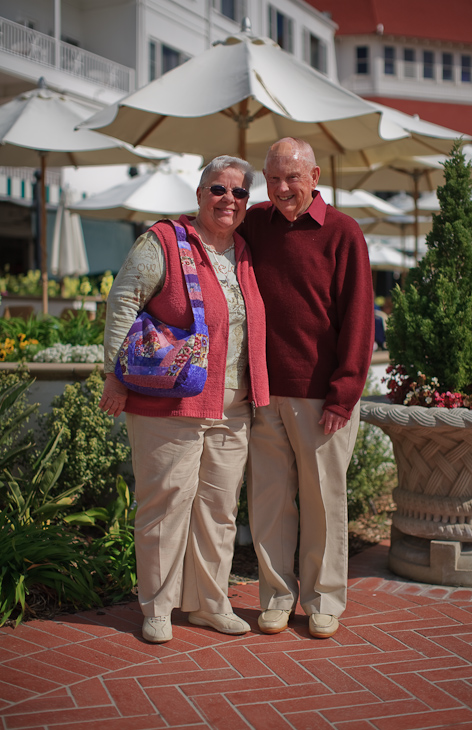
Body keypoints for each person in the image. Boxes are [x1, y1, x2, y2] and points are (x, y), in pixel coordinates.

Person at [99, 155, 269, 643]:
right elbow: (123, 300)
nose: (229, 200)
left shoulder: (244, 251)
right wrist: (115, 373)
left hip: (234, 404)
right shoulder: (164, 241)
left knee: (219, 510)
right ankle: (157, 606)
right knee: (164, 504)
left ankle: (209, 603)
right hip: (170, 401)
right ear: (199, 194)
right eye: (219, 189)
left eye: (239, 193)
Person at [240, 138, 374, 639]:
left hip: (323, 397)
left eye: (292, 177)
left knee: (323, 501)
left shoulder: (343, 233)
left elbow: (360, 321)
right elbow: (208, 230)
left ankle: (323, 600)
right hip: (264, 390)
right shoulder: (255, 223)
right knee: (270, 500)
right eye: (273, 178)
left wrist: (343, 395)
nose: (281, 188)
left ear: (314, 176)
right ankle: (276, 596)